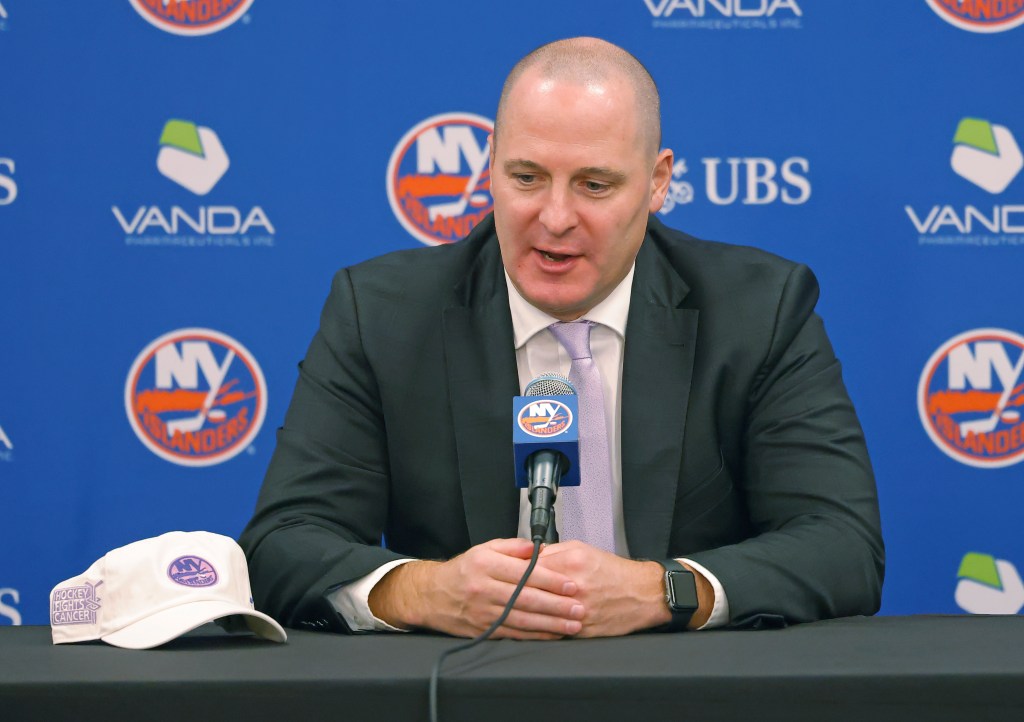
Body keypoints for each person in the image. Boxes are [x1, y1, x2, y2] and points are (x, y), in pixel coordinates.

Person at [239, 37, 884, 639]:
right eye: (525, 178)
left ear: (658, 182)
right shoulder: (381, 314)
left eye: (593, 185)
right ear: (490, 164)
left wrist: (661, 591)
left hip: (687, 691)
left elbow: (842, 544)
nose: (553, 218)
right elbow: (282, 544)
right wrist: (425, 590)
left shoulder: (758, 308)